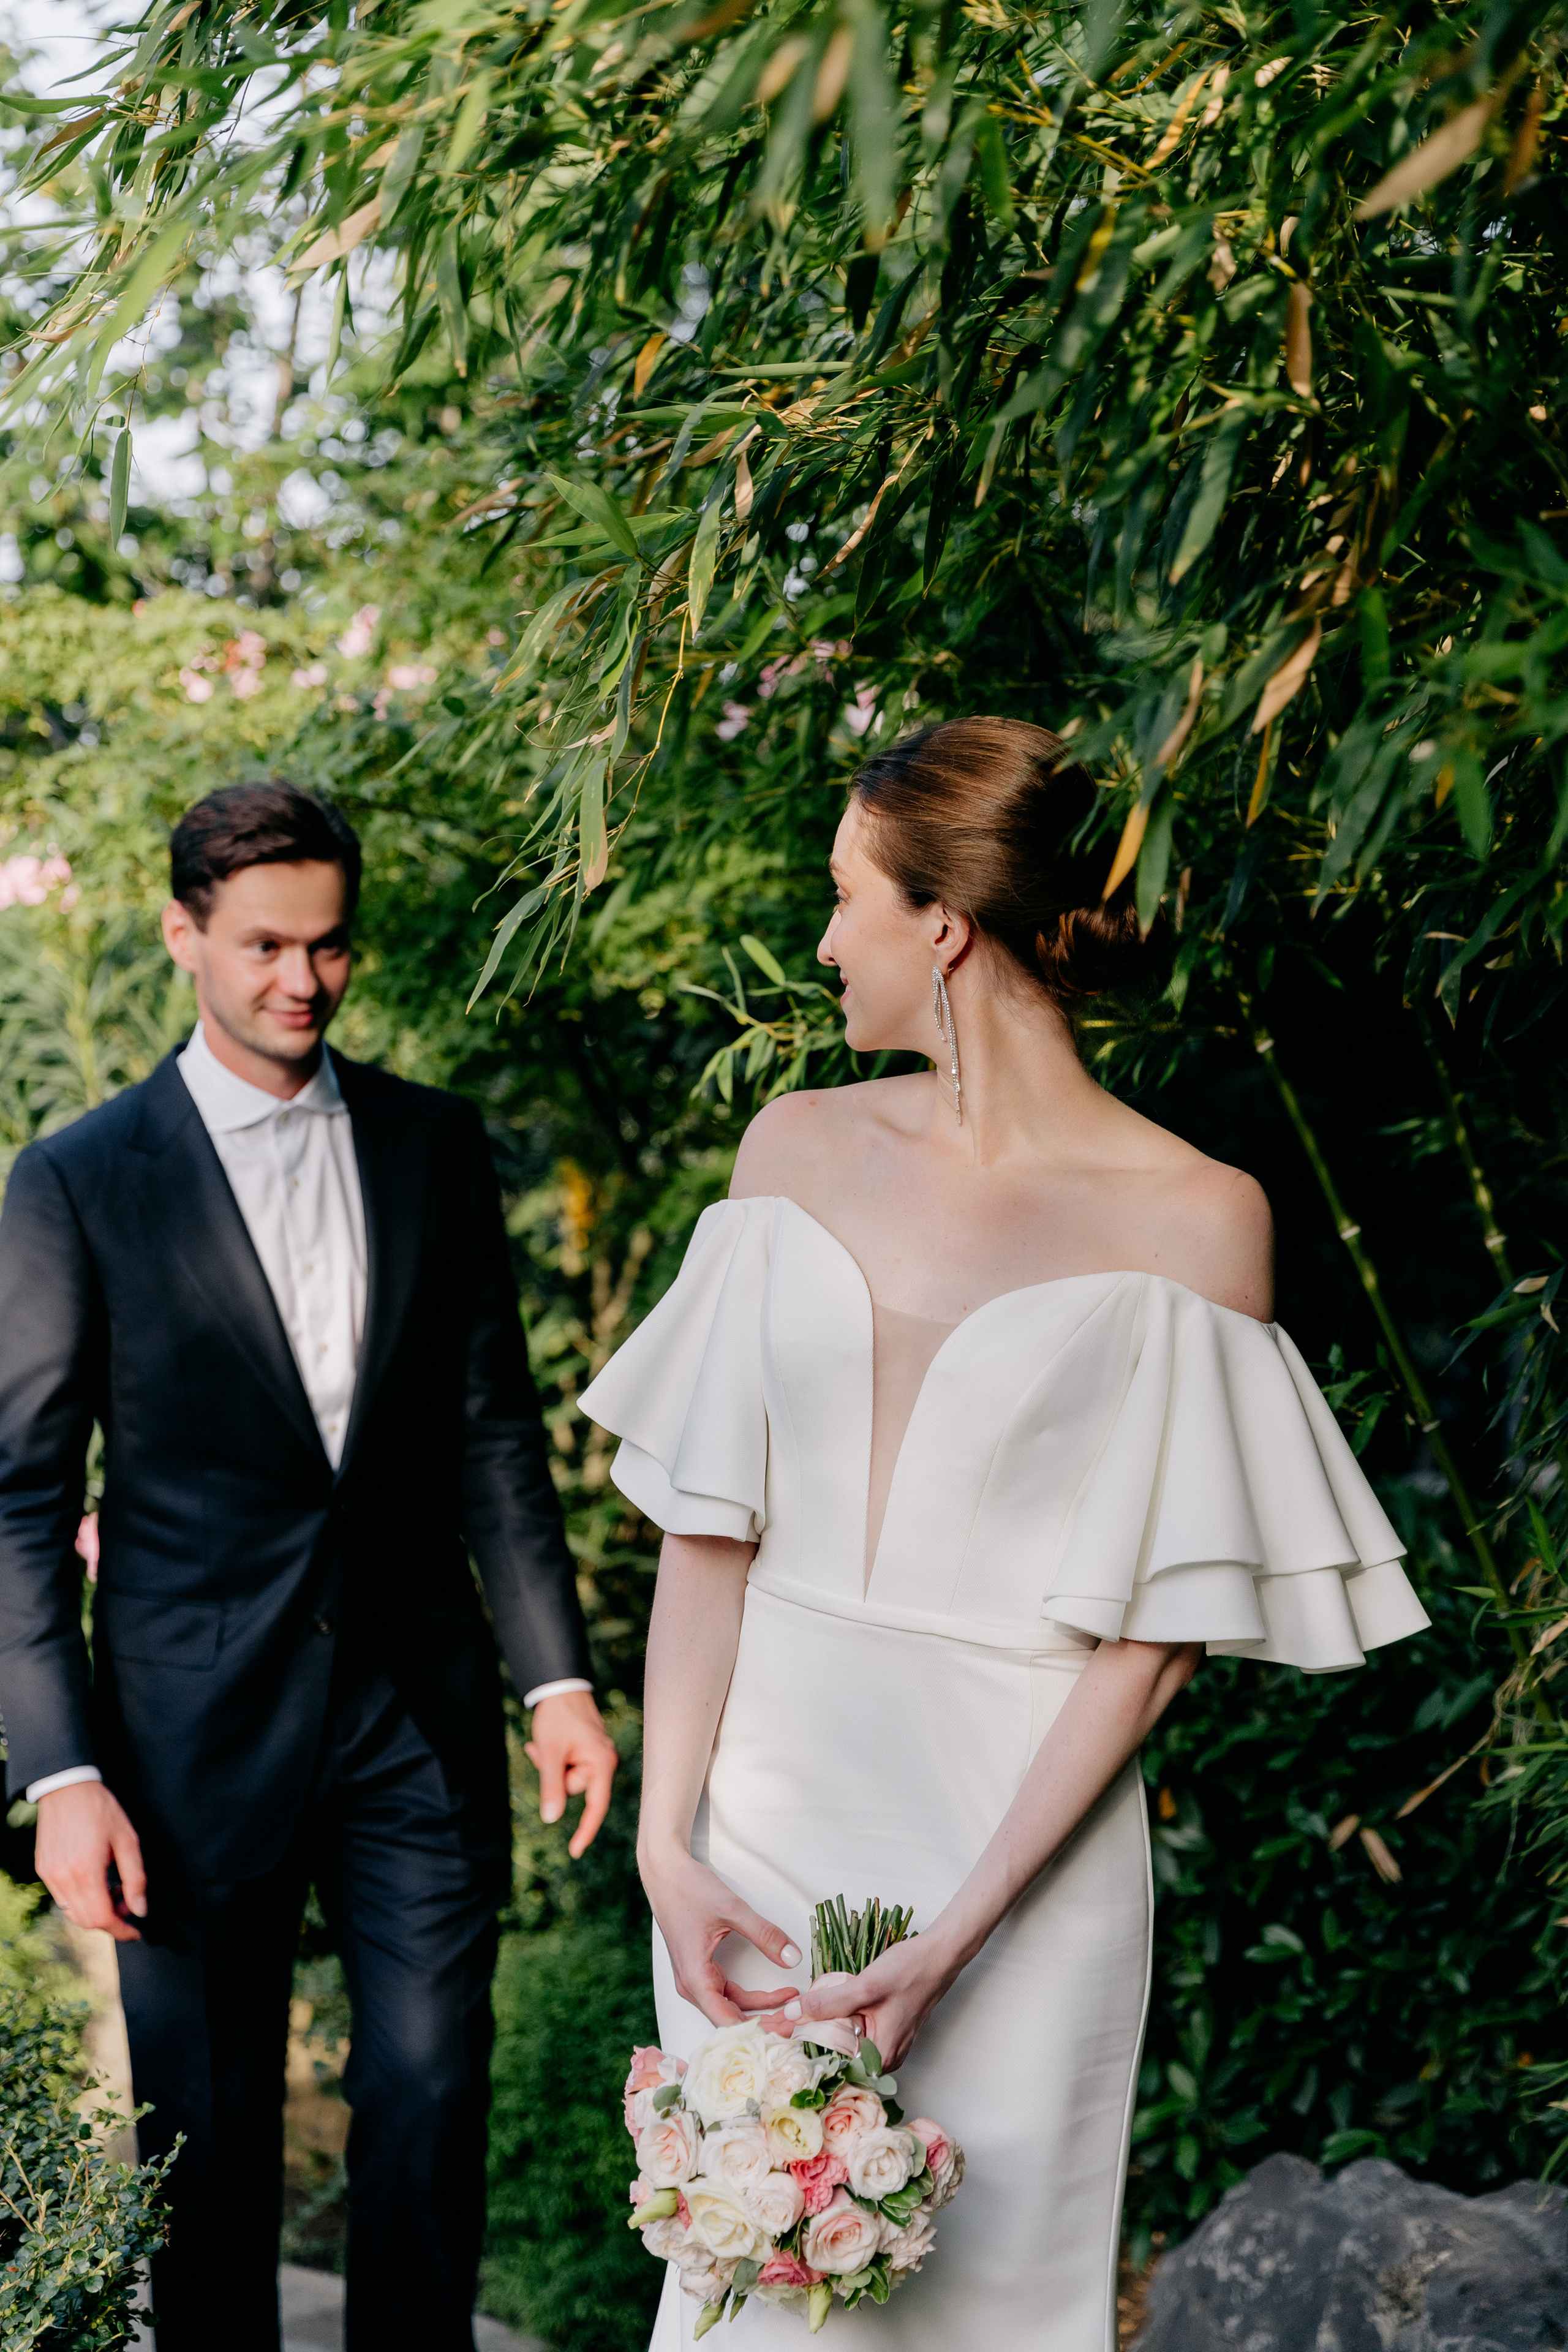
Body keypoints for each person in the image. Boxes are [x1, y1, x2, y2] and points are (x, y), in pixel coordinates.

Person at [578, 718, 1431, 2349]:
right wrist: (667, 1845)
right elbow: (709, 1537)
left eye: (845, 899)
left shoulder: (1197, 1216)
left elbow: (1148, 1642)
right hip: (765, 1838)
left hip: (1018, 1869)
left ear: (943, 925)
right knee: (754, 2310)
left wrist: (960, 1932)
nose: (825, 941)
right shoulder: (794, 1152)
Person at [0, 781, 618, 2352]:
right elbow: (18, 1501)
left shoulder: (432, 1145)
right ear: (181, 935)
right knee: (204, 2133)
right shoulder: (77, 1180)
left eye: (330, 947)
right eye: (266, 944)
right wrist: (61, 1774)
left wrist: (556, 1675)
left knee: (428, 2087)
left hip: (413, 1710)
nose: (302, 981)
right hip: (184, 1733)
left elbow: (495, 1434)